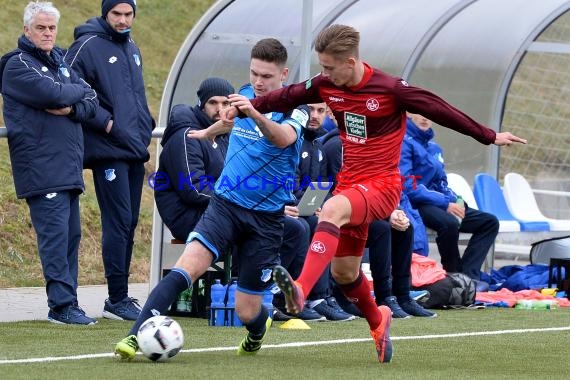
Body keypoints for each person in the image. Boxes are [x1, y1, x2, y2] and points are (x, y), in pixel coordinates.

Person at [223, 24, 526, 363]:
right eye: (320, 66)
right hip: (351, 184)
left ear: (350, 61)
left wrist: (488, 135)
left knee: (331, 210)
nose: (322, 74)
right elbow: (287, 95)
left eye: (328, 67)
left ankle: (300, 291)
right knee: (345, 274)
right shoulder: (327, 85)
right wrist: (248, 104)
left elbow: (440, 108)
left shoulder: (390, 89)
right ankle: (378, 319)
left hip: (382, 185)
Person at [114, 38, 310, 359]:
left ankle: (260, 328)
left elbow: (283, 138)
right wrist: (209, 133)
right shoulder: (245, 94)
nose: (259, 82)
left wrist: (257, 114)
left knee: (247, 312)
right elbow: (230, 120)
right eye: (254, 73)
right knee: (186, 268)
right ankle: (134, 336)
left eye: (267, 76)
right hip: (225, 206)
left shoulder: (295, 109)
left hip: (265, 220)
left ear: (283, 74)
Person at [0, 1, 98, 325]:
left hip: (68, 167)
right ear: (26, 29)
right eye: (40, 27)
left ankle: (69, 302)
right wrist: (68, 96)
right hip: (42, 168)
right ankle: (61, 306)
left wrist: (71, 107)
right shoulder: (17, 65)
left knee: (70, 239)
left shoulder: (61, 64)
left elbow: (91, 99)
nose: (47, 33)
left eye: (51, 28)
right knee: (55, 240)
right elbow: (54, 95)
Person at [64, 0, 155, 321]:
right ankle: (116, 299)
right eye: (116, 13)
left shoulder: (132, 47)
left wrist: (143, 124)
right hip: (107, 149)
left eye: (128, 14)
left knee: (129, 222)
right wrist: (107, 122)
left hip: (133, 148)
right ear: (105, 14)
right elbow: (69, 84)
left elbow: (136, 97)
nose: (122, 19)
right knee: (117, 222)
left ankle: (120, 297)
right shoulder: (87, 44)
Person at [322, 130, 435, 318]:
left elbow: (382, 183)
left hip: (363, 205)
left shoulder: (373, 144)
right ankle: (380, 296)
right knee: (381, 229)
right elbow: (336, 188)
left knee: (405, 227)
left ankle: (402, 295)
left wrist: (393, 209)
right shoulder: (336, 146)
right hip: (341, 210)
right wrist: (384, 214)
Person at [400, 113, 499, 288]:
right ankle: (453, 273)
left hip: (441, 202)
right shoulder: (404, 144)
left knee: (489, 222)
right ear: (409, 115)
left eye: (427, 115)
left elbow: (442, 182)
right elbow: (408, 186)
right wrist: (445, 203)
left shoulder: (434, 148)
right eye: (419, 114)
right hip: (416, 203)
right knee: (449, 223)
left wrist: (456, 200)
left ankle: (468, 276)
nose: (424, 118)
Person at [291, 101, 355, 321]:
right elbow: (290, 183)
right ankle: (311, 296)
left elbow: (322, 185)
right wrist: (305, 205)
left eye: (320, 111)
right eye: (309, 110)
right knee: (311, 226)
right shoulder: (292, 139)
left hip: (307, 207)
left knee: (326, 222)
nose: (314, 115)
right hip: (288, 208)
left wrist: (321, 205)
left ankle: (325, 297)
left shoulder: (318, 143)